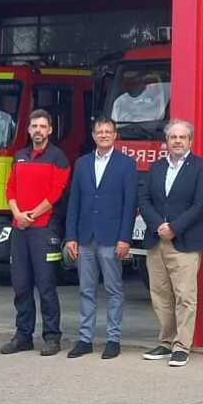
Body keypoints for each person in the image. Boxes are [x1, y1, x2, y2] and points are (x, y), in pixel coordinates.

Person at [137, 119, 203, 367]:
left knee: (185, 296)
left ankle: (182, 346)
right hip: (156, 239)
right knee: (160, 294)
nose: (178, 141)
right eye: (173, 137)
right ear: (166, 142)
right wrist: (159, 225)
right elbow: (144, 199)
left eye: (182, 137)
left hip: (185, 242)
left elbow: (200, 205)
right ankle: (166, 341)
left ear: (190, 141)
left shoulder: (202, 168)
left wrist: (174, 228)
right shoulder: (156, 167)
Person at [64, 116, 138, 359]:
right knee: (86, 289)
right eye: (100, 132)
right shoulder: (82, 163)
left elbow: (130, 205)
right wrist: (71, 236)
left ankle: (113, 339)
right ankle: (85, 339)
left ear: (115, 136)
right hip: (85, 237)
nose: (104, 135)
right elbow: (73, 201)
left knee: (113, 290)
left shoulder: (126, 164)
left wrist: (125, 238)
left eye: (108, 131)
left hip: (111, 237)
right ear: (93, 136)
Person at [0, 109, 70, 357]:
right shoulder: (19, 156)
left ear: (50, 130)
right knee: (20, 285)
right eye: (34, 126)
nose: (38, 130)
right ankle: (23, 336)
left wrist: (31, 215)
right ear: (28, 130)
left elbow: (55, 192)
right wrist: (18, 214)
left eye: (43, 126)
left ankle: (52, 337)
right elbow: (10, 188)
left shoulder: (58, 157)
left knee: (46, 285)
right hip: (20, 229)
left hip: (43, 229)